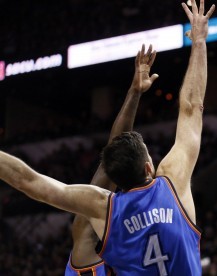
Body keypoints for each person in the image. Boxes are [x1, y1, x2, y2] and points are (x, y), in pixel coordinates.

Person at [0, 0, 215, 274]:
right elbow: (191, 107)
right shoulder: (172, 183)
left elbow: (31, 182)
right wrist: (199, 41)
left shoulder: (103, 206)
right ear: (149, 165)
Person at [65, 44, 158, 275]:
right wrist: (134, 93)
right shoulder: (89, 228)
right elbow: (116, 149)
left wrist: (135, 92)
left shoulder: (137, 255)